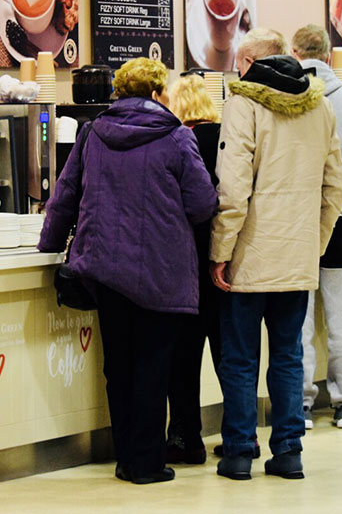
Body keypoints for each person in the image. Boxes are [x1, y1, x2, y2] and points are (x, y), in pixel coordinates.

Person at [38, 58, 217, 485]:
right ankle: (148, 463)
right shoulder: (176, 137)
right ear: (158, 93)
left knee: (117, 366)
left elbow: (64, 194)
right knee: (154, 366)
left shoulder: (92, 133)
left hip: (106, 270)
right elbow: (202, 203)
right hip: (163, 270)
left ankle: (124, 456)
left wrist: (48, 244)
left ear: (118, 92)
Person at [210, 28, 342, 480]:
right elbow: (335, 187)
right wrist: (315, 243)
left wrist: (220, 251)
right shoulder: (320, 105)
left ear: (247, 63)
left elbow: (232, 189)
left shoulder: (243, 104)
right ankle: (288, 452)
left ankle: (238, 453)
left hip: (249, 256)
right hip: (297, 256)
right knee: (288, 355)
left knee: (240, 358)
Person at [291, 23, 342, 429]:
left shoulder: (286, 97)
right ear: (328, 56)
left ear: (294, 53)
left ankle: (302, 404)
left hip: (300, 219)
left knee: (300, 319)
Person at [166, 72, 222, 464]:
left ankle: (187, 438)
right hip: (224, 263)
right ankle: (241, 434)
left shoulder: (174, 142)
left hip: (184, 265)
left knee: (183, 360)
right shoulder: (226, 139)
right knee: (230, 356)